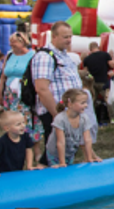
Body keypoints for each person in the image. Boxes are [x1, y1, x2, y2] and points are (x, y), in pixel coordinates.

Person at [31, 22, 83, 163]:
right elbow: (42, 88)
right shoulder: (45, 56)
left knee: (66, 148)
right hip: (55, 111)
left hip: (68, 111)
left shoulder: (64, 56)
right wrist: (56, 114)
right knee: (55, 149)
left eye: (70, 37)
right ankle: (47, 172)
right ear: (54, 36)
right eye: (65, 37)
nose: (69, 40)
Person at [46, 88, 101, 167]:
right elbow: (61, 142)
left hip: (70, 152)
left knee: (68, 170)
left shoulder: (84, 118)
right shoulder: (60, 119)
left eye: (86, 102)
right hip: (55, 154)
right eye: (82, 103)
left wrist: (89, 158)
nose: (86, 105)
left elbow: (87, 139)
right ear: (70, 104)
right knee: (60, 171)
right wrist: (62, 162)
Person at [0, 33, 37, 140]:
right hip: (10, 93)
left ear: (23, 42)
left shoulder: (32, 55)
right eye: (10, 42)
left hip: (23, 92)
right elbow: (3, 76)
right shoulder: (9, 55)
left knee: (25, 117)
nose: (11, 44)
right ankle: (13, 139)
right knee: (11, 118)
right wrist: (0, 93)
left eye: (14, 42)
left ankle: (28, 140)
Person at [0, 111, 37, 179]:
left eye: (23, 122)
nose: (23, 126)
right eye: (18, 124)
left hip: (17, 171)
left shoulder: (25, 136)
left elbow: (29, 150)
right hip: (3, 174)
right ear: (7, 128)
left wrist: (29, 165)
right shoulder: (2, 141)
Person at [81, 41, 114, 126]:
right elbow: (112, 65)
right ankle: (113, 119)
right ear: (98, 47)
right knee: (108, 100)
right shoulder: (105, 55)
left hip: (92, 83)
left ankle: (90, 119)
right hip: (103, 81)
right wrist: (112, 58)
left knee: (91, 101)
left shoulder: (87, 59)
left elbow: (85, 73)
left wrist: (90, 78)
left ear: (90, 49)